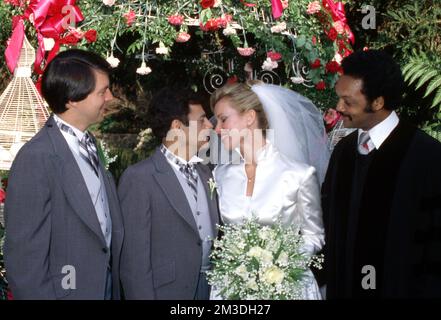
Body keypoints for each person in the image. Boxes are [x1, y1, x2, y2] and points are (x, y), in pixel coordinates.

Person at [4, 49, 124, 299]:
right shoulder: (36, 157)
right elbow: (24, 260)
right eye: (102, 91)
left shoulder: (90, 142)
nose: (110, 97)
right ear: (73, 99)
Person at [322, 49, 441, 298]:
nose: (338, 107)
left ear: (377, 102)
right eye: (339, 98)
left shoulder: (427, 157)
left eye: (348, 101)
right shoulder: (343, 152)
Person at [210, 80, 329, 299]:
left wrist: (280, 266)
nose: (216, 129)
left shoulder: (298, 174)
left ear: (249, 118)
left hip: (288, 287)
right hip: (232, 288)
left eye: (223, 119)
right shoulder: (220, 175)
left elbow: (315, 236)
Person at [118, 86, 219, 299]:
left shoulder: (206, 172)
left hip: (213, 290)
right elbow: (134, 261)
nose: (210, 125)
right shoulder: (140, 178)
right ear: (177, 126)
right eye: (202, 120)